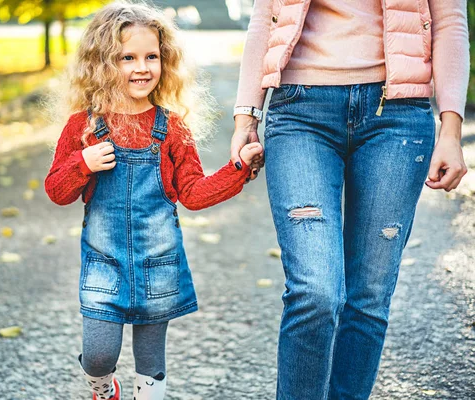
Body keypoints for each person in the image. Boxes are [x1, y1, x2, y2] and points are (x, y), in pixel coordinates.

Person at [230, 0, 469, 399]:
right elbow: (265, 15)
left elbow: (450, 21)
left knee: (369, 296)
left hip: (398, 115)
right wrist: (245, 117)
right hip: (299, 110)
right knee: (315, 290)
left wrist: (451, 128)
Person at [44, 2, 262, 399]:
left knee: (151, 362)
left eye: (151, 56)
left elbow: (193, 193)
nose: (141, 67)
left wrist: (238, 169)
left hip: (157, 264)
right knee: (97, 355)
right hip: (103, 264)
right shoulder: (84, 126)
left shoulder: (172, 129)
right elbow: (57, 190)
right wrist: (82, 162)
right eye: (127, 57)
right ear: (101, 62)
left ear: (166, 62)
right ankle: (103, 387)